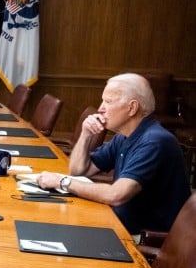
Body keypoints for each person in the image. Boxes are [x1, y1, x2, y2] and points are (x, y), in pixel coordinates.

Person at [35, 73, 190, 238]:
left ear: (132, 108)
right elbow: (79, 171)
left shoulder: (154, 141)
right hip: (117, 223)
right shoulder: (124, 136)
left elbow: (116, 195)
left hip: (141, 239)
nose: (100, 108)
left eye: (108, 102)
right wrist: (86, 135)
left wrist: (61, 182)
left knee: (51, 232)